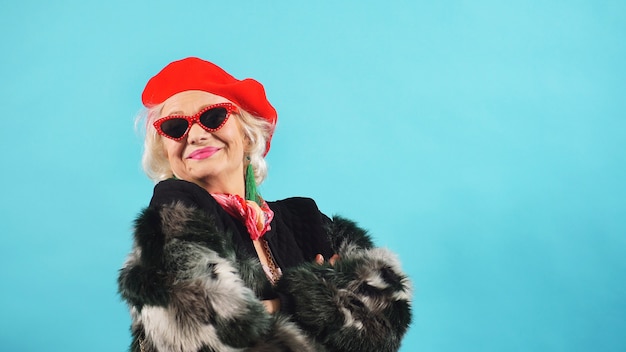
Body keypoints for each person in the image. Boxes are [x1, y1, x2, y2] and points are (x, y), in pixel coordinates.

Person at [118, 57, 412, 352]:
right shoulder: (171, 214)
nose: (195, 135)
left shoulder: (303, 217)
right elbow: (203, 332)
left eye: (212, 117)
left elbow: (384, 316)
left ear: (246, 135)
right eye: (174, 126)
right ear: (165, 148)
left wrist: (272, 308)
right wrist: (312, 299)